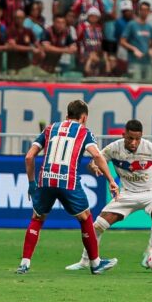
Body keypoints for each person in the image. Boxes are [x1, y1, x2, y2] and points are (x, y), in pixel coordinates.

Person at [65, 119, 152, 271]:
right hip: (127, 194)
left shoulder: (151, 148)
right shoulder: (114, 148)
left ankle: (149, 252)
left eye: (137, 139)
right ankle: (85, 261)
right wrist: (93, 166)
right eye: (130, 138)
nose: (134, 143)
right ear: (124, 135)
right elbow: (95, 161)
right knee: (98, 225)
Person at [18, 99, 120, 275]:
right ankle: (95, 263)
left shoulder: (50, 128)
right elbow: (97, 155)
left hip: (46, 179)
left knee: (37, 218)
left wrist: (31, 183)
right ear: (84, 118)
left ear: (67, 116)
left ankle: (24, 263)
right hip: (68, 180)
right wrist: (111, 179)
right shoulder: (84, 131)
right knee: (85, 217)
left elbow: (29, 157)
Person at [120, 1, 152, 80]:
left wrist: (151, 50)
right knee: (135, 85)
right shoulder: (131, 24)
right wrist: (134, 49)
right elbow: (122, 41)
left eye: (146, 10)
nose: (144, 12)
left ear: (149, 12)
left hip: (147, 62)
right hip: (134, 62)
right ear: (139, 11)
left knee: (148, 86)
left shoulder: (150, 27)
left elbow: (150, 43)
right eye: (142, 9)